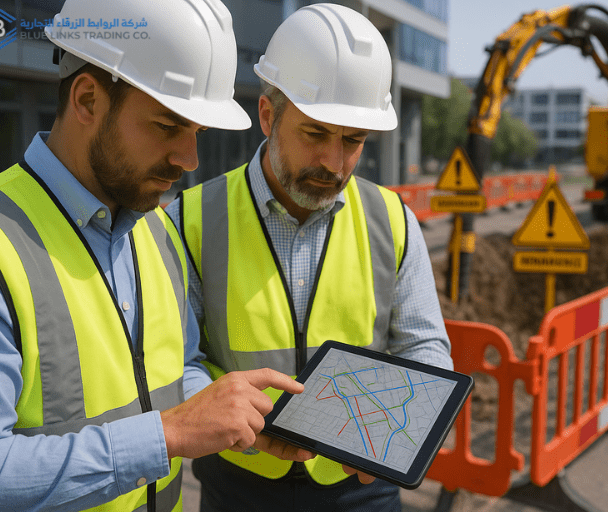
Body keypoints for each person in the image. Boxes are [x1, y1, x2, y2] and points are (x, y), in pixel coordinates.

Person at [0, 1, 312, 511]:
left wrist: (238, 413)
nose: (189, 160)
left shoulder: (157, 230)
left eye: (196, 132)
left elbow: (177, 367)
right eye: (168, 125)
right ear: (87, 99)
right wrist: (168, 435)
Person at [165, 4, 453, 511]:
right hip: (238, 481)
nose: (334, 162)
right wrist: (241, 420)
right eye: (315, 133)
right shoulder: (191, 219)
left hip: (361, 486)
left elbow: (425, 346)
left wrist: (396, 429)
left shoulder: (393, 220)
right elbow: (177, 360)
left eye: (353, 141)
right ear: (268, 115)